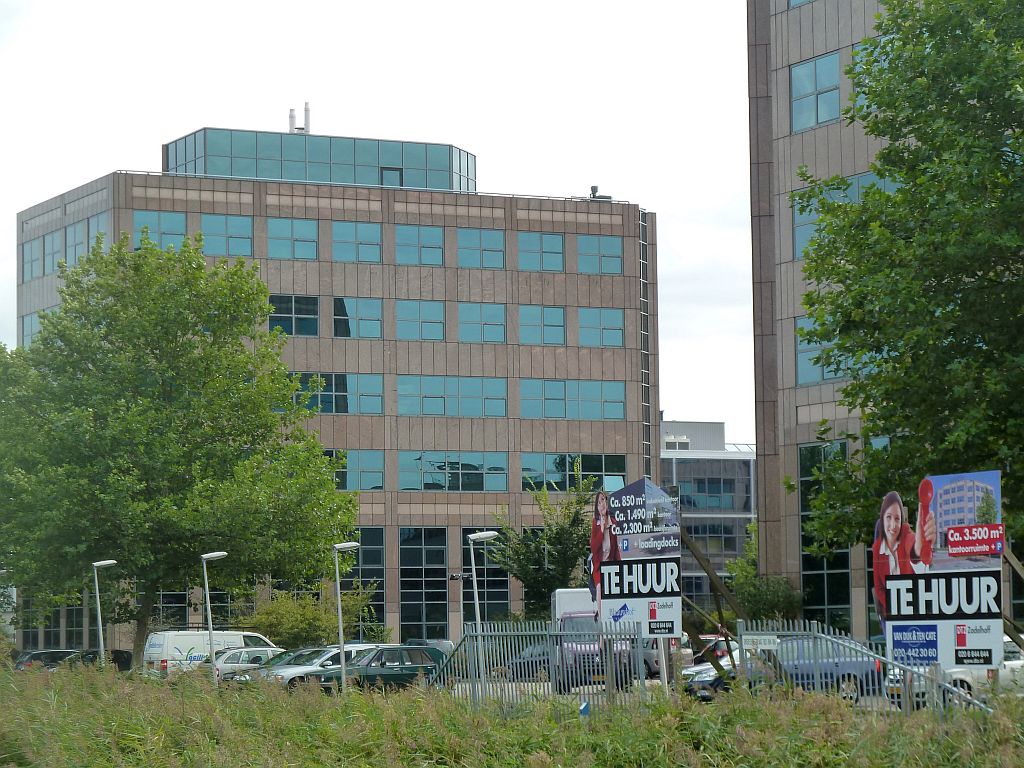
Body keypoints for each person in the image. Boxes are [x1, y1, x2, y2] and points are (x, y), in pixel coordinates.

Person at [871, 489, 936, 621]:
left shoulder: (906, 534)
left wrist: (919, 548)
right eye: (888, 517)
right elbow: (879, 587)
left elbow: (913, 546)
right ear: (882, 519)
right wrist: (895, 610)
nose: (893, 525)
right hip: (890, 614)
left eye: (897, 518)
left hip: (915, 611)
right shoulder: (878, 547)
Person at [588, 490, 621, 605]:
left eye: (603, 500)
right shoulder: (595, 524)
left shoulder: (613, 523)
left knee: (616, 593)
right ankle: (602, 620)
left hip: (611, 565)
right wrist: (601, 529)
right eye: (599, 502)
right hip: (599, 567)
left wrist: (620, 566)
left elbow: (616, 548)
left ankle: (615, 618)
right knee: (600, 590)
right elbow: (594, 547)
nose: (602, 504)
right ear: (596, 507)